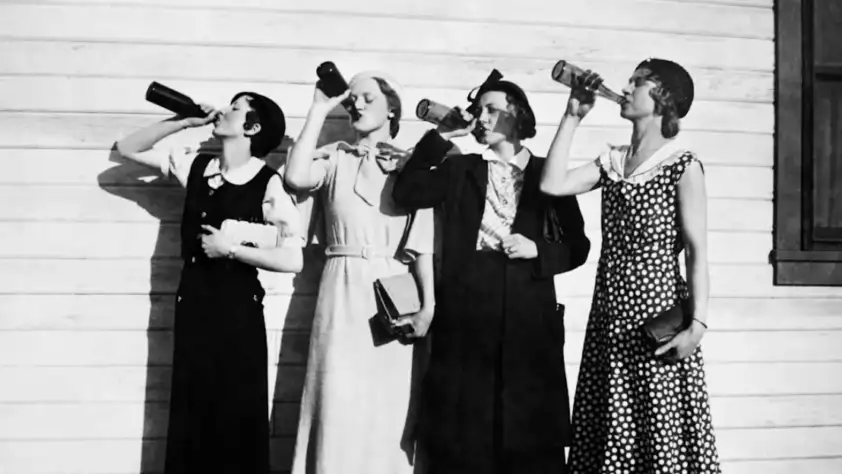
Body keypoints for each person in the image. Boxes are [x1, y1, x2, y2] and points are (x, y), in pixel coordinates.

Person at [392, 73, 591, 473]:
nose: (481, 118)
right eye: (478, 110)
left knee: (527, 432)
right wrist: (441, 135)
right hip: (467, 308)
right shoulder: (461, 168)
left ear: (517, 117)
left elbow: (579, 246)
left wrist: (540, 250)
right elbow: (407, 192)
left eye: (492, 110)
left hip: (528, 310)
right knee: (464, 433)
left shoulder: (544, 172)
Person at [539, 58, 721, 473]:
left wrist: (698, 326)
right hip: (609, 315)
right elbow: (552, 184)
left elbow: (697, 252)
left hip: (657, 315)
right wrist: (572, 114)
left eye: (638, 82)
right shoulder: (614, 162)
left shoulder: (682, 164)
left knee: (657, 428)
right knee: (610, 426)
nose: (626, 87)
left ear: (663, 98)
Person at [115, 91, 303, 474]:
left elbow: (293, 258)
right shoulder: (197, 167)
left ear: (252, 127)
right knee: (192, 411)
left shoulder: (268, 184)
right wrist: (185, 121)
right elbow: (127, 147)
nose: (225, 110)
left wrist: (230, 249)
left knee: (235, 414)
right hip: (193, 307)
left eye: (236, 108)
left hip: (238, 314)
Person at [284, 71, 435, 474]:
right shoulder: (335, 157)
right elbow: (295, 176)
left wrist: (428, 308)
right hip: (341, 285)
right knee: (334, 398)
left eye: (368, 97)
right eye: (352, 100)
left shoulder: (413, 165)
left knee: (388, 405)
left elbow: (422, 246)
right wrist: (319, 107)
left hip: (394, 287)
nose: (357, 104)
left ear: (393, 108)